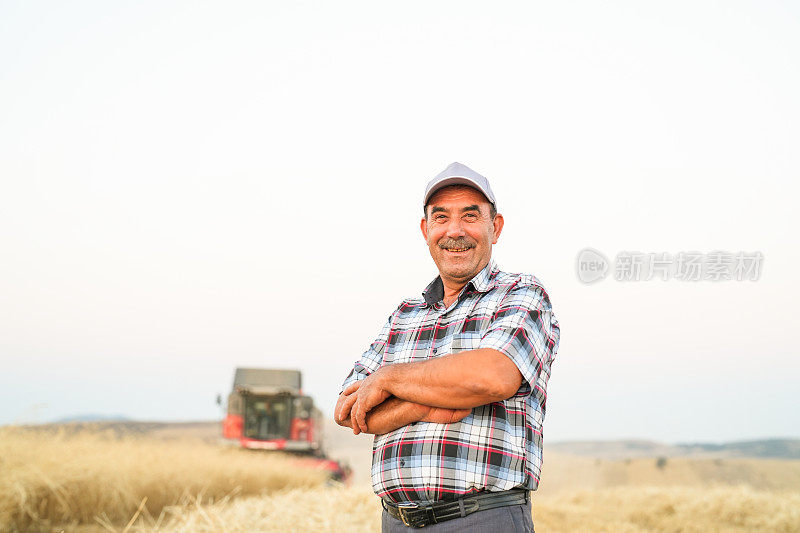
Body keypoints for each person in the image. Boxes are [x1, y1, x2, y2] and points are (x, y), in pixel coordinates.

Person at [335, 162, 561, 532]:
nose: (455, 230)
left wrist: (390, 378)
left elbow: (493, 376)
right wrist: (429, 401)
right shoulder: (404, 314)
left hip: (482, 518)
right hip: (397, 522)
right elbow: (350, 408)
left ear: (495, 227)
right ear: (426, 230)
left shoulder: (521, 294)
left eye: (470, 216)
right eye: (441, 218)